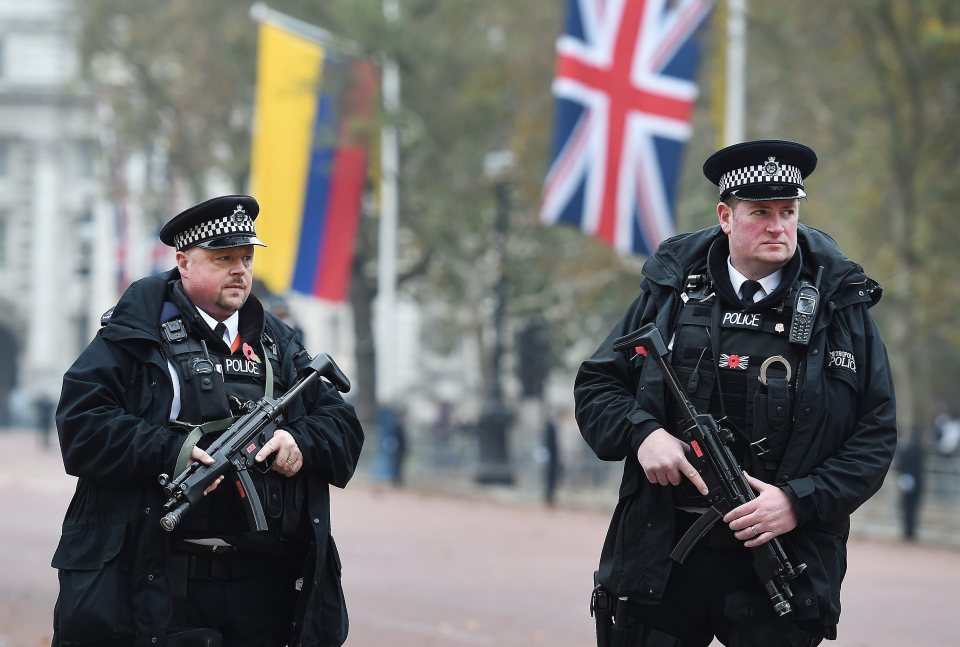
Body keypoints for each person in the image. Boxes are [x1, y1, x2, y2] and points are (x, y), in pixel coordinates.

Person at [575, 140, 897, 647]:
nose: (778, 226)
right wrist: (643, 434)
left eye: (788, 211)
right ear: (726, 216)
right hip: (664, 556)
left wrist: (797, 502)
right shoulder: (672, 291)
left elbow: (874, 437)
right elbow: (597, 385)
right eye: (760, 212)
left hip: (782, 563)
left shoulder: (840, 306)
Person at [52, 195, 364, 647]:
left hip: (264, 586)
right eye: (223, 259)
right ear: (184, 263)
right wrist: (171, 452)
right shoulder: (134, 335)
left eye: (246, 258)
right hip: (162, 577)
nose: (239, 270)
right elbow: (81, 427)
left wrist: (298, 440)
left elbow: (343, 426)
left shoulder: (279, 343)